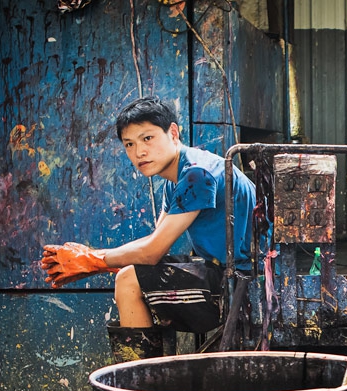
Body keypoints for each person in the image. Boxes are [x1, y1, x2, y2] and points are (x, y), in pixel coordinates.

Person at [41, 96, 257, 359]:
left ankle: (140, 384)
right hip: (225, 274)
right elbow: (153, 243)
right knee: (131, 273)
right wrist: (91, 261)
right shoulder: (176, 179)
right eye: (129, 144)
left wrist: (91, 259)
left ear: (173, 133)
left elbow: (152, 252)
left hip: (245, 284)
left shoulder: (197, 174)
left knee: (129, 281)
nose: (138, 152)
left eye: (147, 139)